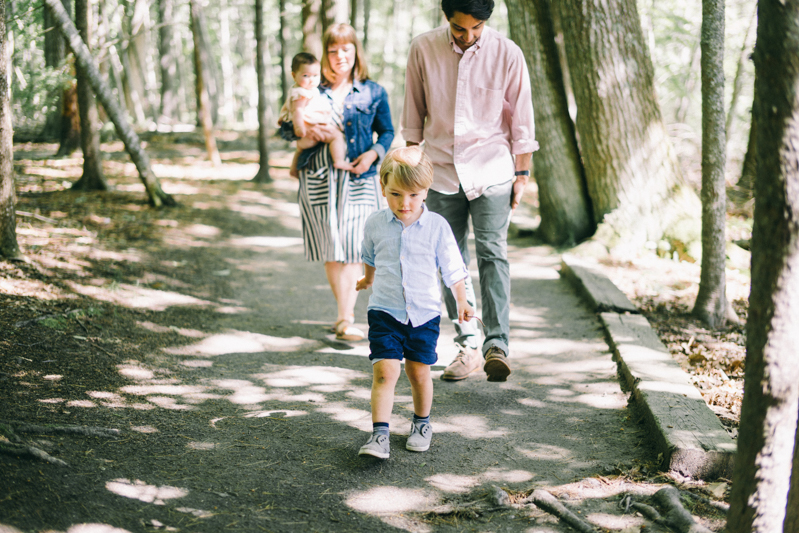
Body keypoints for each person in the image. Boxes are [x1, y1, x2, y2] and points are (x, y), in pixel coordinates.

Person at [401, 0, 538, 382]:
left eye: (477, 27)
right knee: (448, 260)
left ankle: (498, 344)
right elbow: (413, 116)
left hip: (492, 169)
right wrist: (411, 175)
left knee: (493, 254)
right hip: (441, 170)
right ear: (447, 18)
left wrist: (522, 173)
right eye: (461, 28)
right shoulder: (423, 48)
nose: (469, 36)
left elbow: (522, 120)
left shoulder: (507, 53)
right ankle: (468, 343)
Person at [355, 147, 474, 459]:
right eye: (395, 194)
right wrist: (368, 279)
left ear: (426, 191)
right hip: (384, 311)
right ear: (382, 187)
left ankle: (422, 424)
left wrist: (462, 300)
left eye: (413, 194)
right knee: (385, 372)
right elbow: (370, 256)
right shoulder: (375, 224)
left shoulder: (437, 227)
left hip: (424, 315)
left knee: (419, 373)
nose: (404, 203)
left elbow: (453, 268)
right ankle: (379, 435)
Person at [293, 24, 394, 342]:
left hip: (358, 175)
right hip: (319, 175)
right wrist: (305, 136)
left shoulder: (373, 92)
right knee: (332, 248)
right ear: (326, 54)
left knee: (353, 248)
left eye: (346, 49)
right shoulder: (312, 89)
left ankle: (345, 317)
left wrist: (373, 155)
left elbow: (388, 132)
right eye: (333, 50)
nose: (340, 56)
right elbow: (287, 127)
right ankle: (343, 314)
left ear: (355, 52)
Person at [277, 53, 353, 177]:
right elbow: (298, 111)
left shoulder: (304, 90)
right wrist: (299, 129)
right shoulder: (301, 93)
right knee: (336, 136)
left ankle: (294, 169)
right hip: (308, 131)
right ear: (294, 75)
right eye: (306, 75)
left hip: (307, 135)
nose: (311, 79)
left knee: (300, 149)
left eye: (315, 75)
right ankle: (339, 160)